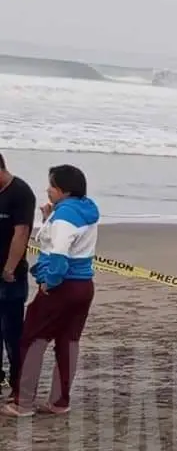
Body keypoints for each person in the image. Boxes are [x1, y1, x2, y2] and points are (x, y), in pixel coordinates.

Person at [2, 164, 99, 418]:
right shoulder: (84, 209)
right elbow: (68, 239)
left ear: (63, 190)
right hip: (83, 285)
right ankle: (59, 401)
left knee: (32, 340)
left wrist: (49, 283)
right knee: (68, 342)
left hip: (62, 286)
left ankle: (22, 402)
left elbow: (59, 255)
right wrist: (49, 218)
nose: (47, 190)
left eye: (51, 186)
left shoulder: (66, 215)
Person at [0, 154, 36, 396]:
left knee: (12, 333)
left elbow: (21, 233)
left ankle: (19, 385)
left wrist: (9, 268)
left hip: (10, 277)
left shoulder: (20, 192)